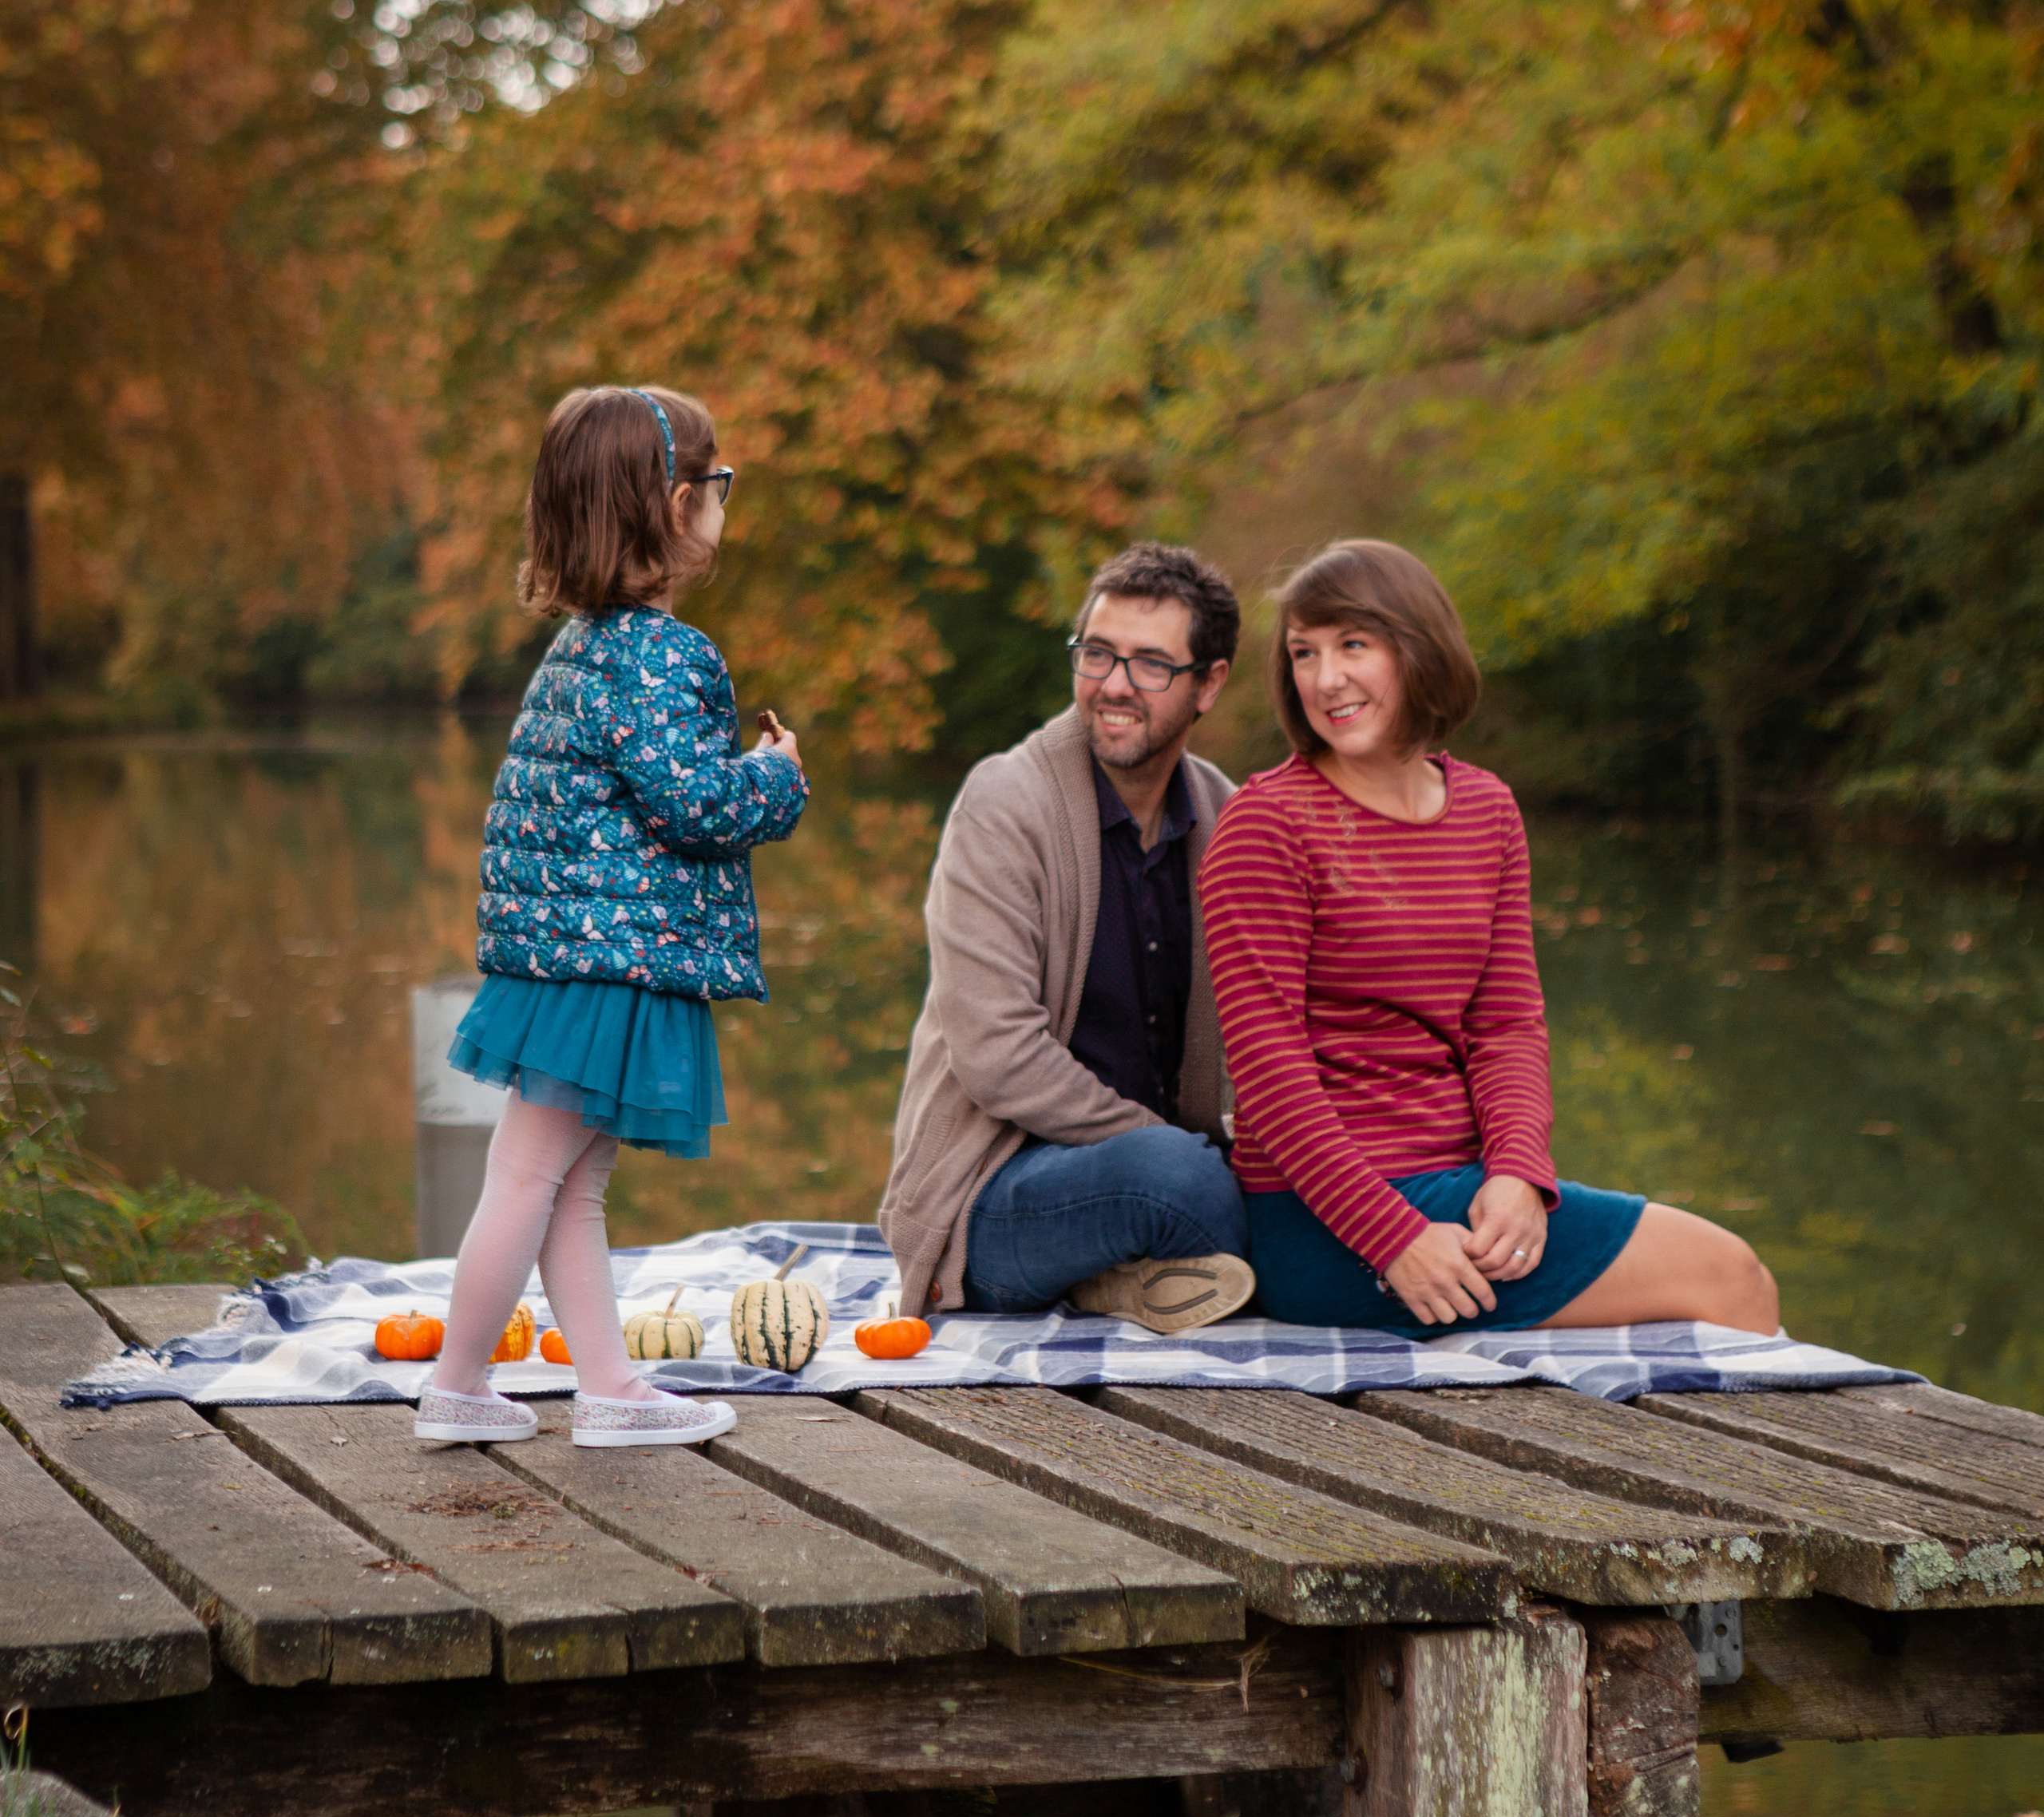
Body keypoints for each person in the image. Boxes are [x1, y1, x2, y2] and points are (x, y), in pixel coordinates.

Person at [1199, 538, 1781, 1339]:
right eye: (1304, 652)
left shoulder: (1486, 810)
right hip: (1327, 1221)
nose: (1324, 678)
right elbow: (1268, 1077)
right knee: (1729, 1278)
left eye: (1353, 646)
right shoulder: (1265, 825)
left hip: (1465, 1192)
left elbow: (1504, 1026)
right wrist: (1391, 1236)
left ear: (1418, 649)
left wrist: (1518, 1173)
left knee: (1720, 1288)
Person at [414, 383, 809, 1449]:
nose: (726, 495)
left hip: (564, 957)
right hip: (606, 961)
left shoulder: (584, 649)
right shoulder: (664, 654)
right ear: (671, 507)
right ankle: (455, 1386)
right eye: (716, 479)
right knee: (534, 1178)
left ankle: (608, 1391)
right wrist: (775, 778)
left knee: (564, 1186)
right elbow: (697, 806)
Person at [881, 542, 1254, 1332]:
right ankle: (1150, 1252)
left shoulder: (1227, 818)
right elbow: (997, 1056)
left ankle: (1123, 1279)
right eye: (1097, 654)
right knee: (1181, 1182)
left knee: (1310, 1205)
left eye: (1150, 663)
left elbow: (1270, 1036)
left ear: (1208, 685)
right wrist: (1183, 1156)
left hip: (1150, 1172)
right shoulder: (1005, 802)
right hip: (994, 1195)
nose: (1114, 685)